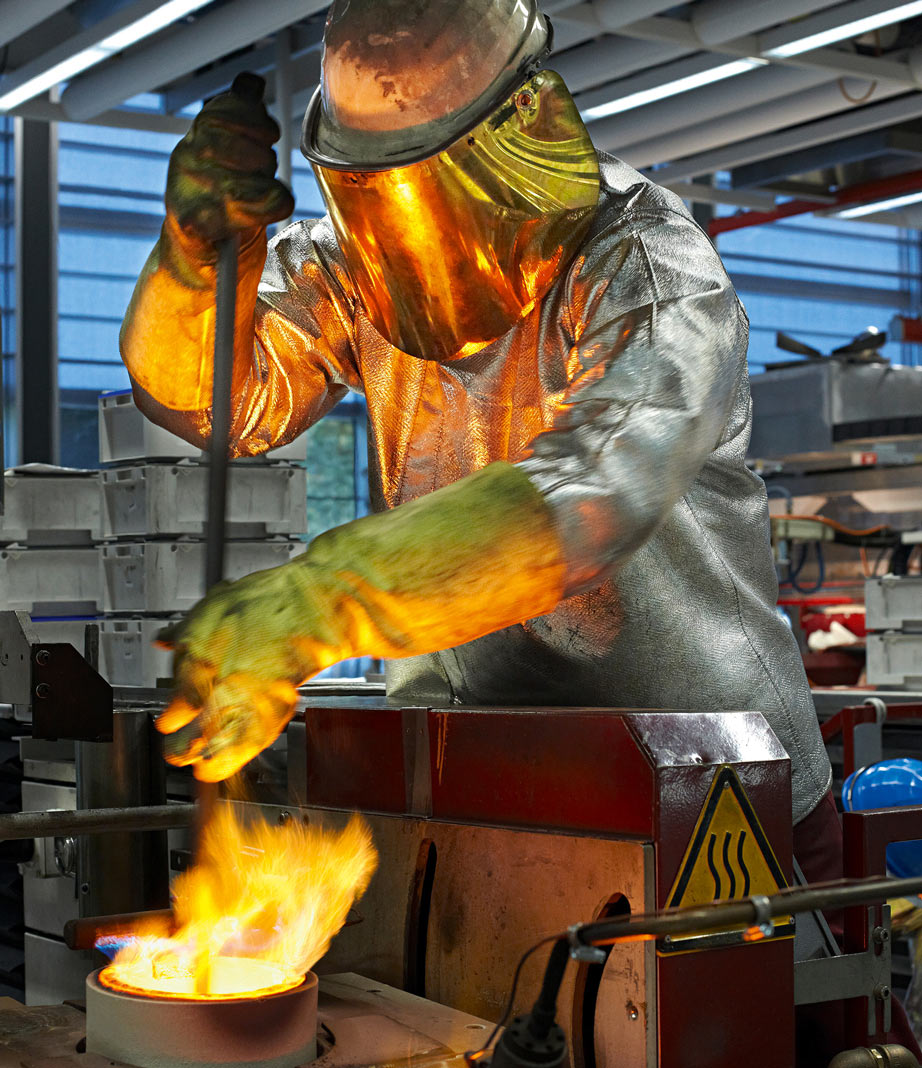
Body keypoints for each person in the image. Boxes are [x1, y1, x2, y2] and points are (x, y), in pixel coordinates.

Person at [119, 1, 919, 1060]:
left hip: (697, 779)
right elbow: (227, 401)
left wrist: (325, 600)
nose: (407, 225)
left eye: (426, 185)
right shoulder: (359, 266)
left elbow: (585, 497)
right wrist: (188, 269)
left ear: (521, 135)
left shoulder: (645, 265)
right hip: (468, 778)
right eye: (377, 194)